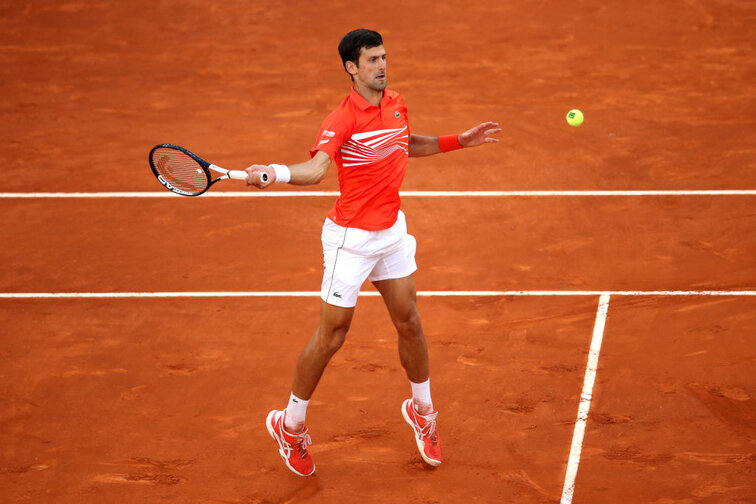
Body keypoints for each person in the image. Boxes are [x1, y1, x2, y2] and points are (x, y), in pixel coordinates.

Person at [245, 29, 500, 477]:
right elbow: (318, 168)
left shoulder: (396, 102)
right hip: (350, 239)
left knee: (410, 319)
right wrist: (276, 172)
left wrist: (460, 140)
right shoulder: (342, 118)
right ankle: (290, 424)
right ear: (351, 68)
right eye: (372, 61)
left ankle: (422, 411)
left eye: (384, 58)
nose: (382, 66)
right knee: (333, 336)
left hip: (390, 233)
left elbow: (406, 143)